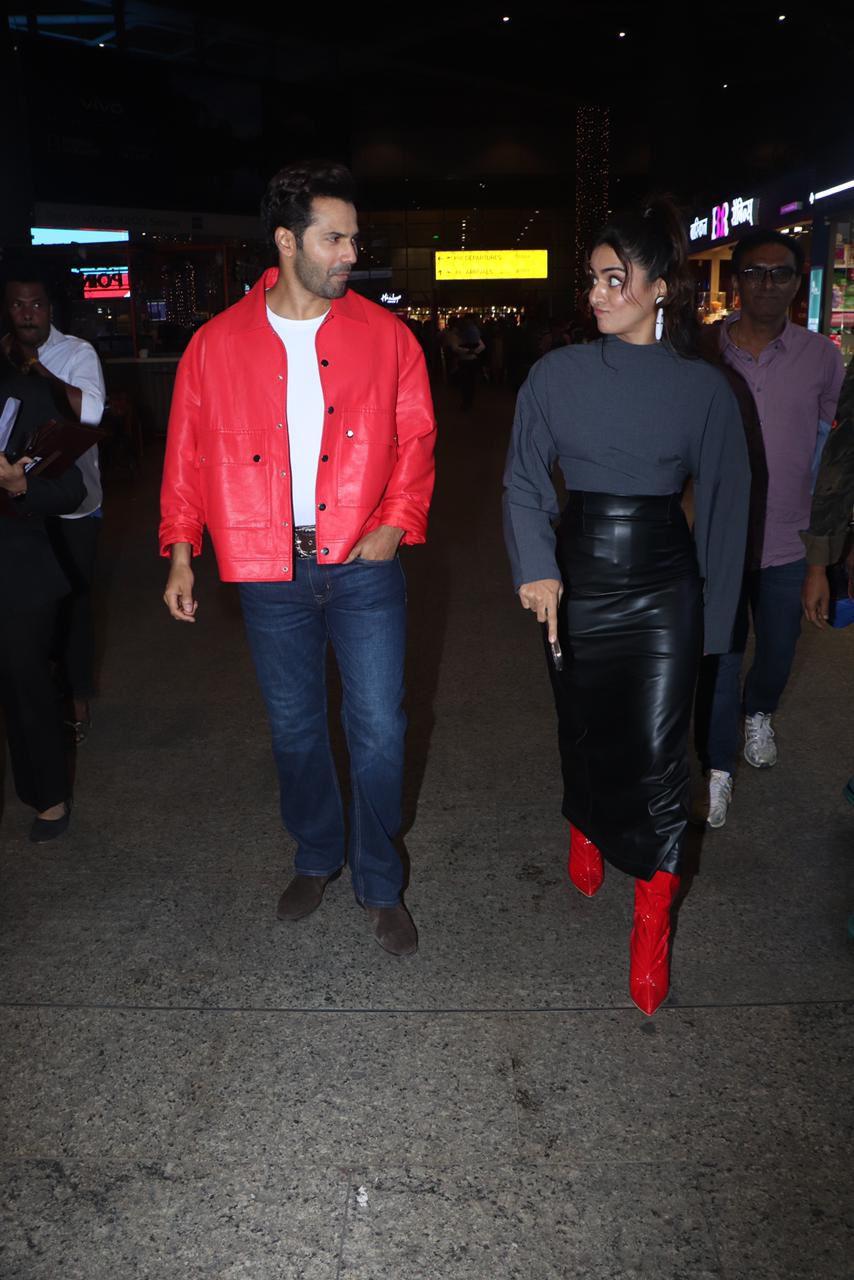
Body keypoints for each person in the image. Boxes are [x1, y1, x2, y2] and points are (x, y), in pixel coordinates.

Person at [159, 160, 436, 956]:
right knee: (294, 729)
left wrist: (396, 521)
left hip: (363, 563)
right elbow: (185, 458)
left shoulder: (387, 337)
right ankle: (317, 853)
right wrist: (182, 552)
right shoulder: (215, 346)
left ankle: (380, 881)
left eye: (354, 236)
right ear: (286, 241)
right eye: (334, 237)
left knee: (380, 729)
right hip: (267, 569)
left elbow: (416, 438)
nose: (352, 252)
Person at [503, 199, 750, 1014]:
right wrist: (536, 565)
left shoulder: (703, 390)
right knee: (579, 722)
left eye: (617, 278)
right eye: (594, 279)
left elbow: (723, 505)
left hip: (661, 584)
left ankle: (651, 917)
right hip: (574, 576)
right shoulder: (556, 374)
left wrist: (714, 631)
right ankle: (584, 819)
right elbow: (524, 477)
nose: (600, 294)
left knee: (655, 752)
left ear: (660, 290)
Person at [694, 230, 844, 828]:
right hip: (718, 540)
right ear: (735, 281)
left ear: (797, 283)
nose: (767, 284)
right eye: (754, 273)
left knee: (779, 651)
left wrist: (821, 559)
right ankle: (719, 768)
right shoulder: (702, 351)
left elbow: (832, 459)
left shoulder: (822, 358)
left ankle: (761, 713)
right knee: (721, 656)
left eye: (780, 274)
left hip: (788, 539)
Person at [1, 261, 106, 745]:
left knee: (74, 605)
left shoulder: (75, 352)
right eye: (19, 304)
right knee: (29, 609)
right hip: (18, 509)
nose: (27, 314)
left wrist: (37, 372)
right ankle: (40, 697)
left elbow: (92, 411)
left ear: (50, 309)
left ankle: (77, 697)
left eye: (36, 304)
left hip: (73, 503)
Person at [0, 354, 86, 841]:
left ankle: (49, 795)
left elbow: (70, 489)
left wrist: (21, 485)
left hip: (18, 567)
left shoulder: (25, 393)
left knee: (25, 684)